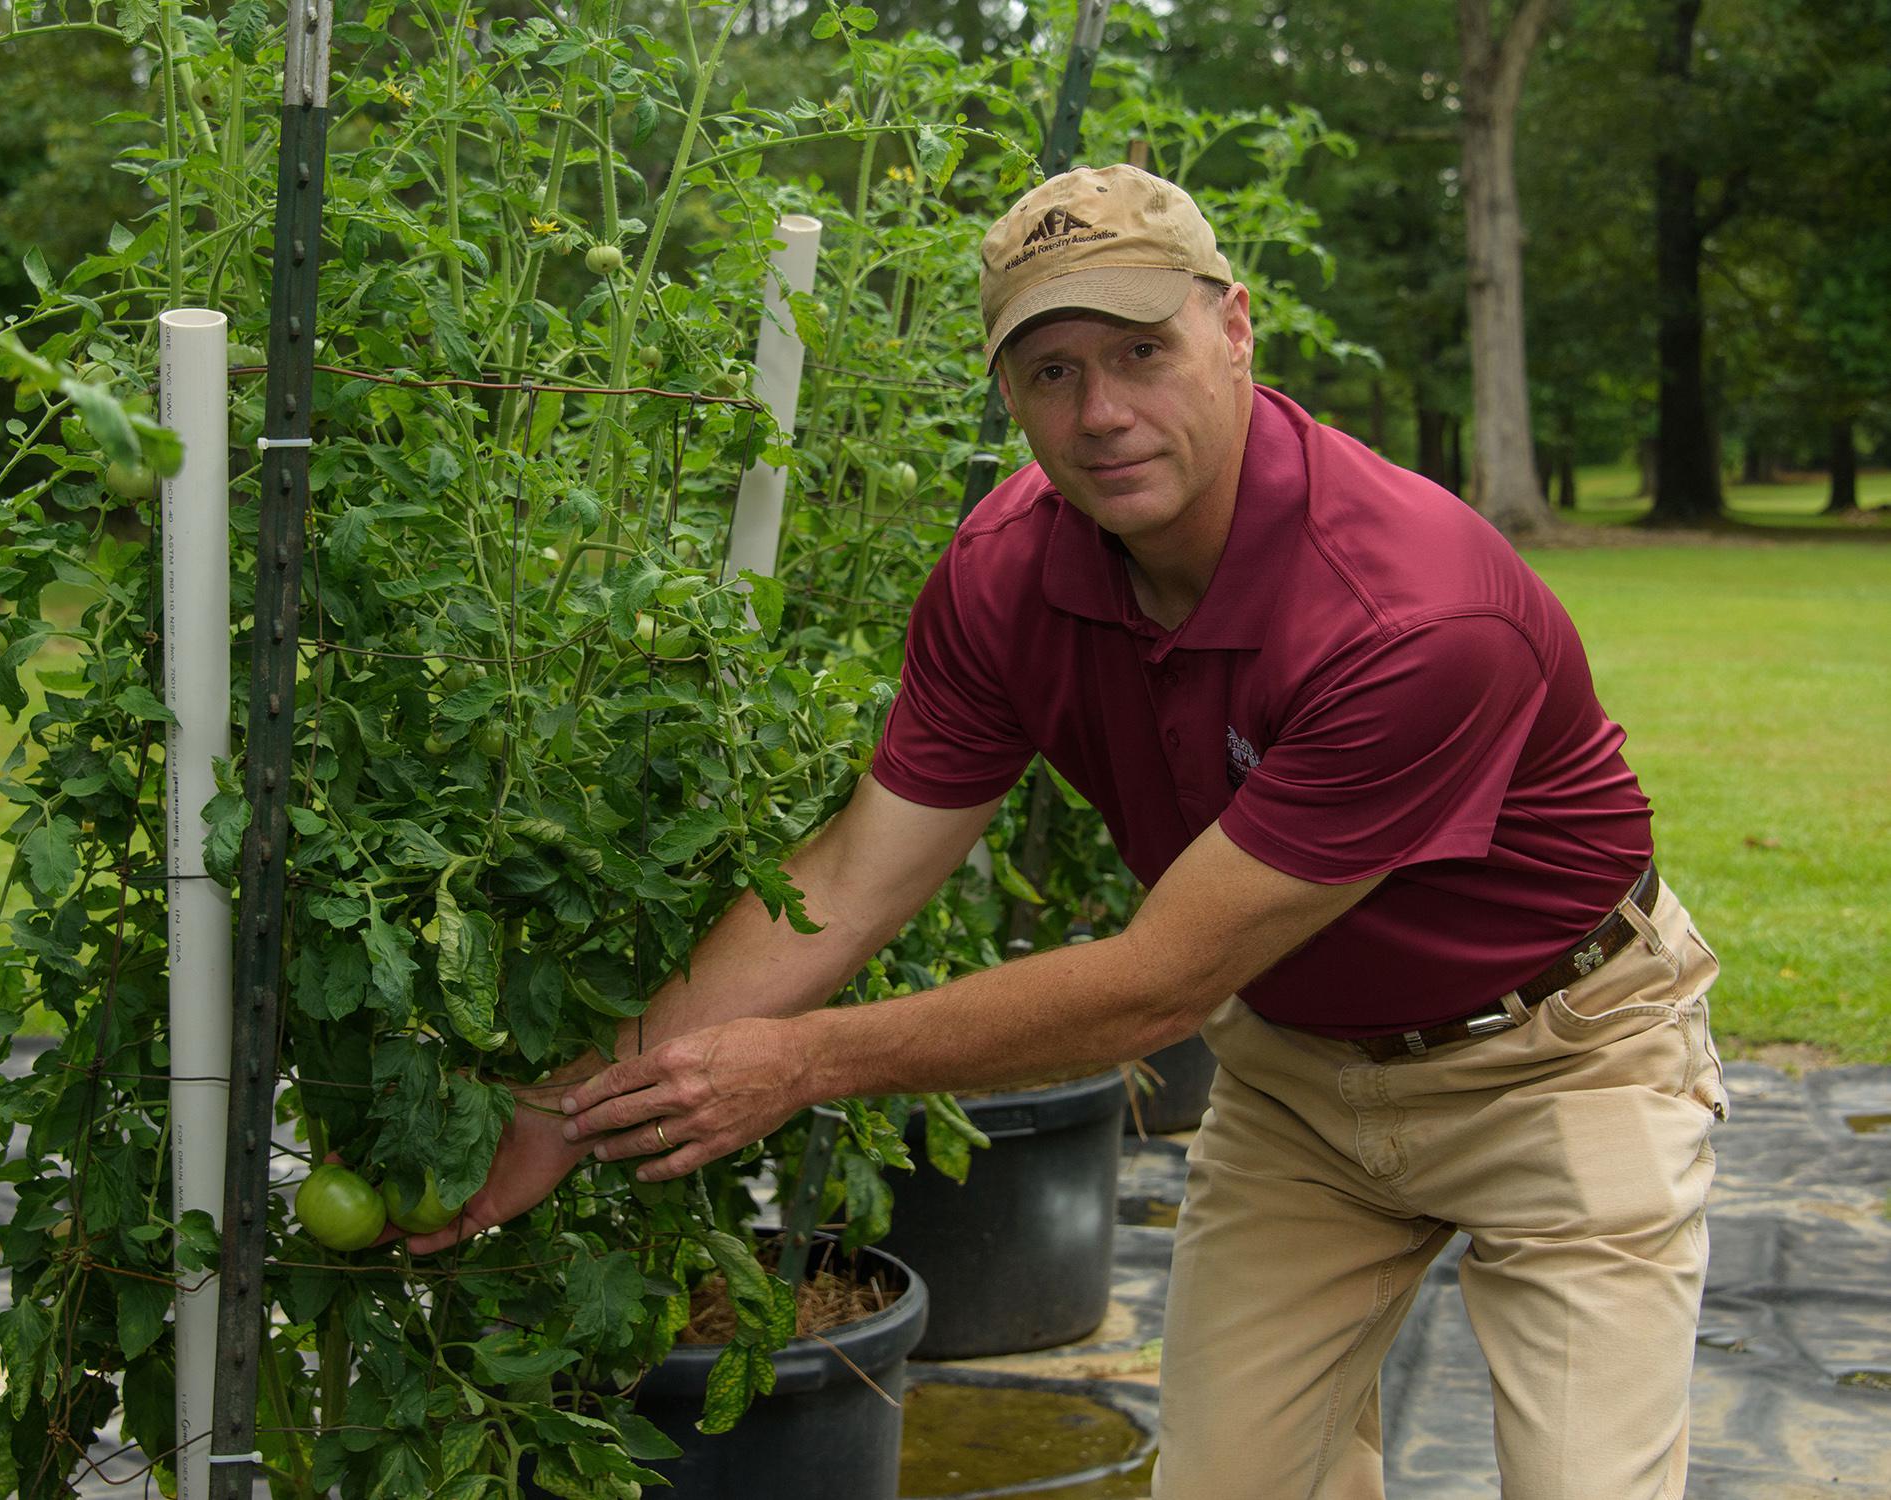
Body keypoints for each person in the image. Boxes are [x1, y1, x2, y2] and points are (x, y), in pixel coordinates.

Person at [410, 164, 1729, 1500]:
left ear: (1236, 329)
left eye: (1141, 352)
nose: (1101, 413)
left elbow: (1157, 983)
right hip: (1297, 1083)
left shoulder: (1411, 619)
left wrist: (800, 1063)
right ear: (1008, 394)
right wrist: (572, 1108)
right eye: (1050, 371)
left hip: (1557, 1068)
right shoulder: (1008, 575)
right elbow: (854, 878)